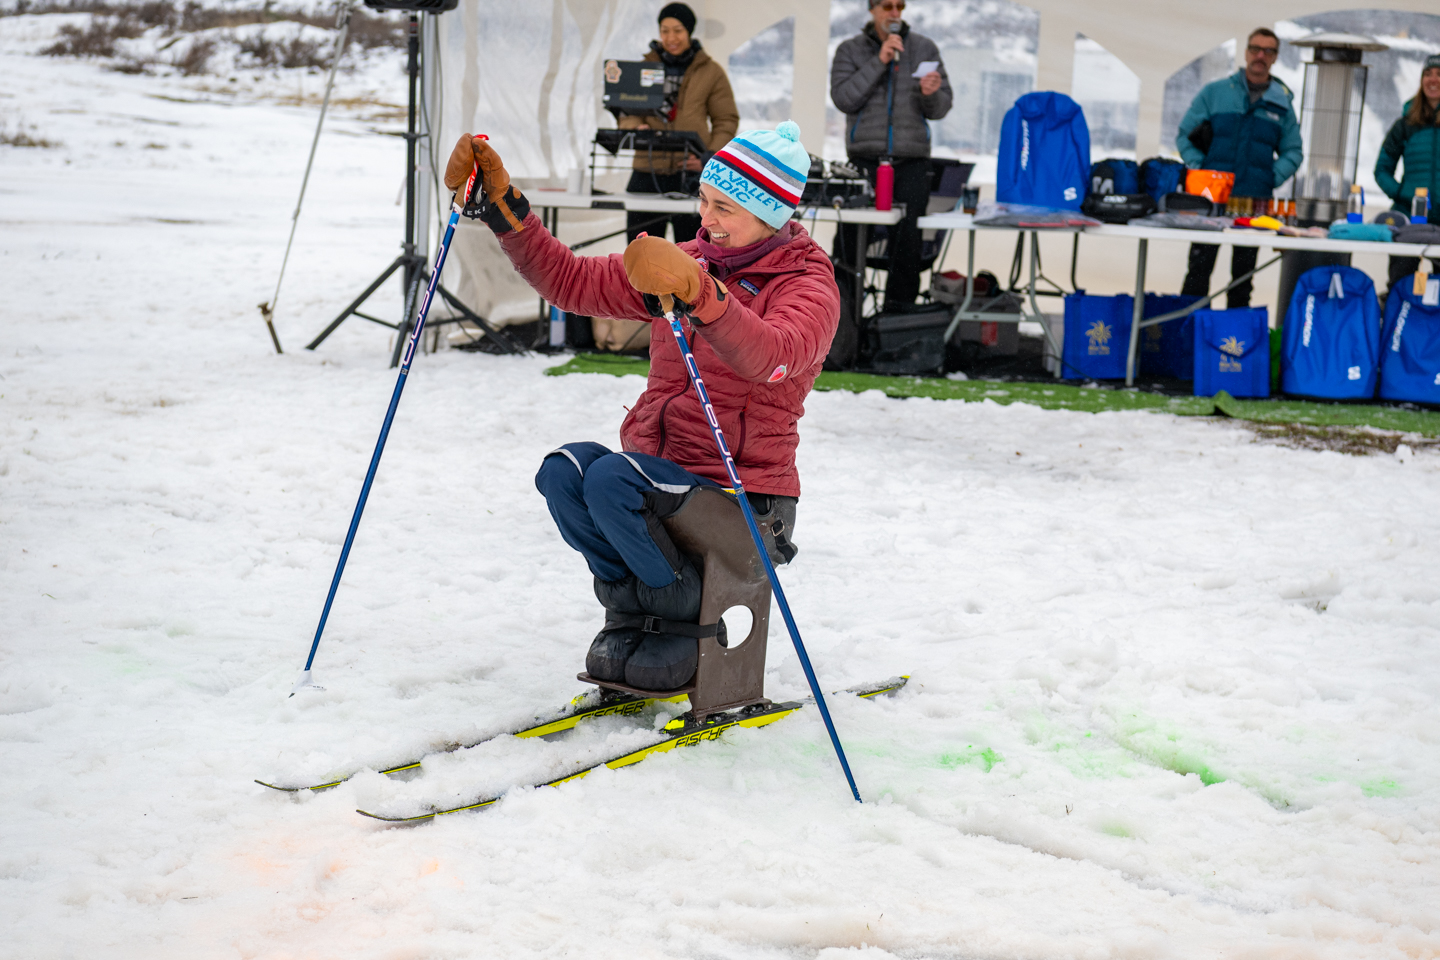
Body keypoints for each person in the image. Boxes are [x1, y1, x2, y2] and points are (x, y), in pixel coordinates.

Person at [443, 121, 837, 691]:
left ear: (770, 214)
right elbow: (571, 281)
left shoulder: (807, 286)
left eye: (724, 208)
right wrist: (506, 212)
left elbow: (771, 355)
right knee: (565, 471)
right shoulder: (685, 262)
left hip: (745, 501)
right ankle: (631, 606)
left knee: (612, 479)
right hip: (661, 480)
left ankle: (679, 610)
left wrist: (705, 297)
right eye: (703, 200)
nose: (706, 218)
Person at [830, 0, 952, 313]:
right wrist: (880, 61)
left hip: (911, 162)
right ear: (872, 9)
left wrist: (931, 94)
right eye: (887, 6)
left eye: (900, 6)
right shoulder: (850, 50)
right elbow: (843, 98)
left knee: (908, 246)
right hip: (864, 162)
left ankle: (897, 323)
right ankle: (842, 321)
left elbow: (941, 108)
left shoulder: (924, 48)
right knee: (849, 240)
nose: (895, 13)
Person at [1176, 27, 1303, 308]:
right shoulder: (1215, 93)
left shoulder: (1282, 104)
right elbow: (1184, 135)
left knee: (1243, 278)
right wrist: (1201, 169)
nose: (1260, 56)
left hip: (1253, 201)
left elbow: (1294, 150)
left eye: (1268, 51)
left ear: (1275, 57)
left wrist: (1271, 177)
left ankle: (1234, 334)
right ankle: (1189, 330)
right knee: (1197, 272)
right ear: (1246, 53)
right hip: (1209, 199)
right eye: (1255, 49)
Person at [617, 2, 739, 245]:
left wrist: (708, 157)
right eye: (665, 31)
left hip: (692, 175)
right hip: (646, 173)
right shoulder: (641, 69)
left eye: (678, 30)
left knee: (694, 251)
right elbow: (624, 110)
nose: (671, 38)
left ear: (689, 31)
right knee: (642, 250)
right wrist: (636, 127)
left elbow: (726, 119)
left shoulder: (711, 71)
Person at [1375, 54, 1440, 296]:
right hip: (1411, 221)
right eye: (1428, 74)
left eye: (1439, 74)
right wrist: (1402, 194)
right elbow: (1382, 169)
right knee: (1402, 286)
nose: (1433, 80)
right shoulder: (1405, 124)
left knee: (1436, 292)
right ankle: (1399, 319)